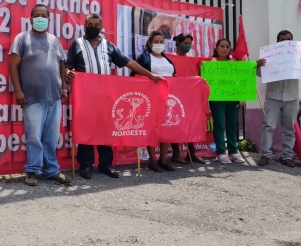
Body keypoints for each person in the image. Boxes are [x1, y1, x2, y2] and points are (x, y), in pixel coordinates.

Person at [65, 13, 164, 179]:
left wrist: (150, 75)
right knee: (86, 129)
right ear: (84, 25)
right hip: (85, 97)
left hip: (106, 97)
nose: (93, 27)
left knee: (106, 129)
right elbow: (68, 67)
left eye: (97, 24)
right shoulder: (77, 44)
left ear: (101, 27)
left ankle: (106, 165)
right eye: (90, 24)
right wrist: (68, 73)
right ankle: (86, 165)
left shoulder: (109, 46)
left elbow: (128, 62)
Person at [9, 5, 70, 187]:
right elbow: (13, 66)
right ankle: (32, 170)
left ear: (49, 20)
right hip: (32, 97)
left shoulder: (54, 40)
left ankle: (51, 170)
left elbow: (61, 66)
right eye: (37, 15)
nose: (40, 18)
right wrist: (18, 91)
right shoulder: (22, 39)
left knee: (51, 137)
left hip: (54, 97)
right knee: (34, 136)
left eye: (44, 16)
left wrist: (64, 88)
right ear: (30, 19)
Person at [256, 30, 301, 167]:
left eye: (288, 39)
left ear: (292, 41)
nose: (286, 42)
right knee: (268, 126)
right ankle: (265, 155)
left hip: (291, 97)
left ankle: (287, 156)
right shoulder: (270, 56)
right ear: (278, 42)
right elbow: (259, 74)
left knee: (289, 128)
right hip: (273, 96)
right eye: (282, 40)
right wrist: (257, 65)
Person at [134, 31, 177, 172]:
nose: (159, 44)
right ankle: (152, 161)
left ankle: (163, 160)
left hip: (168, 99)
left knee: (166, 128)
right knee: (152, 129)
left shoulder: (168, 60)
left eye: (161, 42)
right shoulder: (143, 58)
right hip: (151, 99)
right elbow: (135, 76)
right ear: (150, 43)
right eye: (156, 41)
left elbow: (175, 77)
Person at [208, 39, 246, 164]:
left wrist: (242, 96)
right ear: (216, 48)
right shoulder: (210, 62)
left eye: (227, 46)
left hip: (233, 97)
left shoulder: (235, 62)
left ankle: (233, 151)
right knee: (219, 125)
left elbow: (241, 79)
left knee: (231, 125)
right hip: (217, 98)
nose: (224, 49)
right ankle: (220, 152)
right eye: (222, 46)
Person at [171, 33, 206, 164]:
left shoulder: (192, 59)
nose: (187, 46)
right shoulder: (171, 58)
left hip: (190, 96)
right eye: (185, 43)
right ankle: (176, 152)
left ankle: (191, 152)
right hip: (176, 93)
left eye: (189, 43)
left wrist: (203, 67)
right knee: (175, 122)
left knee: (190, 123)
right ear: (178, 43)